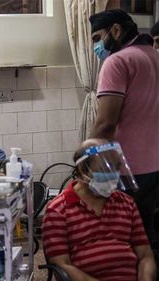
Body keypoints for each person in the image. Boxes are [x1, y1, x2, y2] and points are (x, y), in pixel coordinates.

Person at [89, 9, 159, 258]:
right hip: (154, 167)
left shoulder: (117, 62)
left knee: (121, 242)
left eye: (98, 38)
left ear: (116, 31)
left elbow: (106, 124)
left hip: (127, 171)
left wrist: (87, 165)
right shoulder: (154, 56)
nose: (97, 46)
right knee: (148, 237)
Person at [42, 138, 156, 281]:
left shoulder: (126, 203)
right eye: (106, 169)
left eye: (116, 168)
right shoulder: (58, 210)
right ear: (83, 169)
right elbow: (62, 265)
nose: (113, 175)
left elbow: (145, 255)